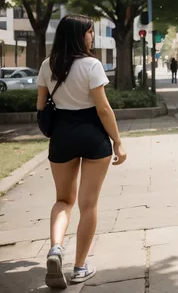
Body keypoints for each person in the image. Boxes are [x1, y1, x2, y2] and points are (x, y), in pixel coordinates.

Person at [36, 15, 128, 288]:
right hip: (93, 137)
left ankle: (55, 249)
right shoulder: (92, 65)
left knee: (63, 201)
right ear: (79, 36)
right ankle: (79, 267)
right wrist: (118, 142)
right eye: (89, 32)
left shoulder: (46, 65)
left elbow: (41, 107)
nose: (91, 37)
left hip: (62, 136)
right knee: (89, 205)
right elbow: (103, 109)